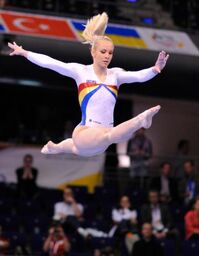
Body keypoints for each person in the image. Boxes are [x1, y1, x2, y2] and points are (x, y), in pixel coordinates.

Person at [8, 12, 169, 158]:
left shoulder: (116, 75)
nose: (107, 56)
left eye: (110, 53)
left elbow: (138, 76)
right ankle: (141, 120)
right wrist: (25, 53)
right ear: (93, 52)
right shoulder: (81, 72)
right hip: (86, 132)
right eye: (103, 52)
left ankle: (55, 147)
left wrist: (154, 69)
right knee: (109, 136)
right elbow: (51, 63)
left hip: (99, 144)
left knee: (78, 148)